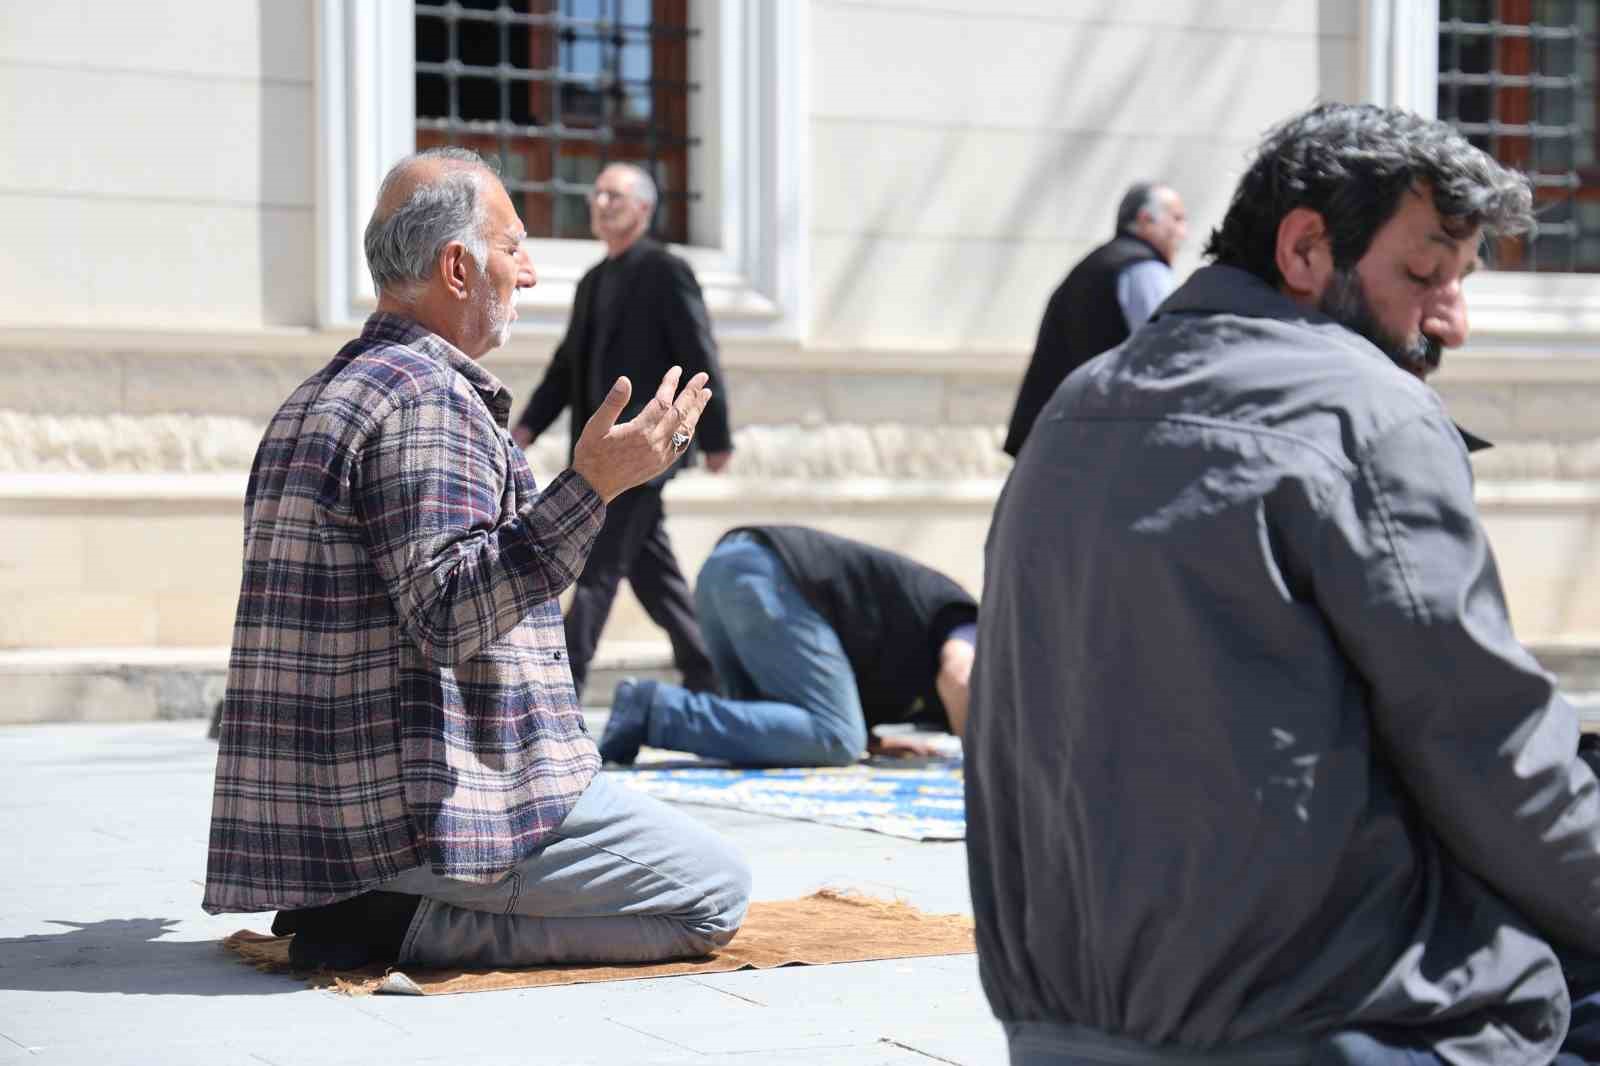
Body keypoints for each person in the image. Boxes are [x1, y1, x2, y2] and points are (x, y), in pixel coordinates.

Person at [966, 103, 1600, 1065]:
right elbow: (1486, 748)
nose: (1453, 321)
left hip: (1062, 1028)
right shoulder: (1369, 410)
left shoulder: (1075, 406)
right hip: (1318, 1025)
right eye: (1426, 274)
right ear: (1306, 249)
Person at [204, 147, 749, 973]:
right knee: (713, 893)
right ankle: (405, 925)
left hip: (329, 825)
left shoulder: (317, 396)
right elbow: (451, 611)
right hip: (425, 819)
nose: (528, 274)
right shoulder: (427, 401)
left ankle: (379, 903)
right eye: (514, 246)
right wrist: (593, 485)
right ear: (458, 267)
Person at [512, 162, 733, 699]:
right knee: (656, 579)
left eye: (615, 195)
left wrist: (716, 436)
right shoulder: (592, 281)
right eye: (597, 195)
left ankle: (558, 695)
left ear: (643, 209)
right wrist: (526, 427)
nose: (602, 203)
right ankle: (711, 679)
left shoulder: (666, 270)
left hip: (645, 449)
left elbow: (700, 351)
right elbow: (567, 367)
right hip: (601, 454)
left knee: (595, 570)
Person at [598, 525, 976, 767]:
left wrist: (872, 737)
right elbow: (959, 677)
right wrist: (981, 765)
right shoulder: (972, 624)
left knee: (757, 736)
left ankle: (652, 713)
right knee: (839, 739)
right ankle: (653, 710)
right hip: (768, 580)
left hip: (728, 574)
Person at [1002, 181, 1187, 457]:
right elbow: (1169, 353)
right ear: (1146, 220)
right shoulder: (1143, 269)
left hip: (1054, 437)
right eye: (1177, 219)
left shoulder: (1095, 266)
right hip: (1098, 440)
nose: (1184, 232)